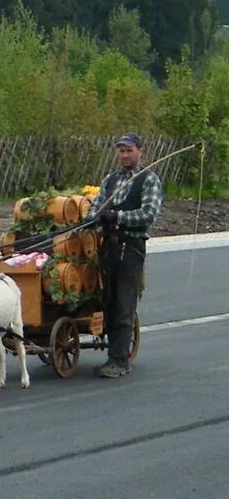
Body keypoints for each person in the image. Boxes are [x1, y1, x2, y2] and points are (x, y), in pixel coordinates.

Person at [87, 133, 163, 378]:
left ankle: (120, 361)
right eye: (121, 151)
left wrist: (118, 217)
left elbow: (148, 214)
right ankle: (114, 352)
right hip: (108, 247)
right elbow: (95, 207)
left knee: (124, 301)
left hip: (131, 247)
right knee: (107, 300)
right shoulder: (110, 180)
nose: (125, 155)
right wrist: (93, 218)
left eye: (129, 151)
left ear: (141, 151)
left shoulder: (148, 180)